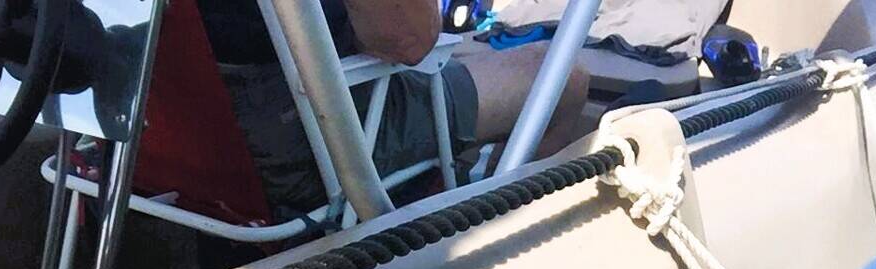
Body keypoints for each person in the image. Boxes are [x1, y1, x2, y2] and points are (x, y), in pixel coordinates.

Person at [195, 0, 591, 218]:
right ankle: (498, 233)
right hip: (310, 142)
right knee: (563, 79)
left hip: (197, 139)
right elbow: (409, 41)